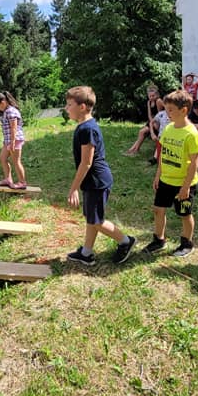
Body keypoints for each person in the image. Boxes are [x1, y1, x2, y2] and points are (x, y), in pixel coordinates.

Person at [65, 86, 135, 266]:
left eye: (69, 105)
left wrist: (74, 189)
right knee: (92, 217)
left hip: (97, 181)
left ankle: (125, 241)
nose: (66, 108)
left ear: (82, 107)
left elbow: (86, 163)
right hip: (92, 181)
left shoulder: (87, 129)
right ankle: (86, 253)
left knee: (96, 221)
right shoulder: (84, 126)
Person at [144, 88, 198, 258]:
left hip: (184, 183)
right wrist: (158, 175)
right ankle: (159, 240)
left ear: (184, 110)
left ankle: (187, 243)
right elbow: (162, 154)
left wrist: (186, 187)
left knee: (184, 214)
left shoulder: (192, 134)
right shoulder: (168, 128)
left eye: (170, 110)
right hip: (165, 180)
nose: (166, 113)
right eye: (166, 109)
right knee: (158, 209)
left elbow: (194, 163)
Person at [0, 91, 27, 189]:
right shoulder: (6, 111)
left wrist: (12, 142)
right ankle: (8, 179)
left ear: (3, 102)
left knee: (16, 161)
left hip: (15, 140)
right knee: (2, 158)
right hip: (8, 140)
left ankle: (22, 183)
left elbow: (13, 128)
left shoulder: (11, 111)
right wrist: (7, 142)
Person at [125, 86, 162, 157]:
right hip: (151, 121)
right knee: (142, 132)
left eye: (153, 95)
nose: (151, 97)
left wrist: (154, 123)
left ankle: (135, 149)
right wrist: (151, 122)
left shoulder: (158, 101)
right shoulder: (149, 102)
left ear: (157, 95)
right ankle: (133, 149)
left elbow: (160, 114)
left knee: (142, 132)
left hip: (158, 122)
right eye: (150, 96)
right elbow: (149, 114)